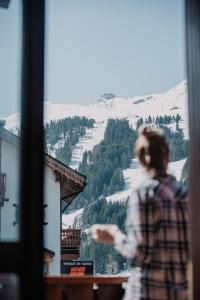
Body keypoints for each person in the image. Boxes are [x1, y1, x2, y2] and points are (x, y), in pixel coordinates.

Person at [91, 125, 190, 300]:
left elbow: (138, 251)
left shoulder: (144, 194)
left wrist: (114, 235)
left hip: (147, 293)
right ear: (167, 156)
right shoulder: (185, 195)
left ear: (142, 159)